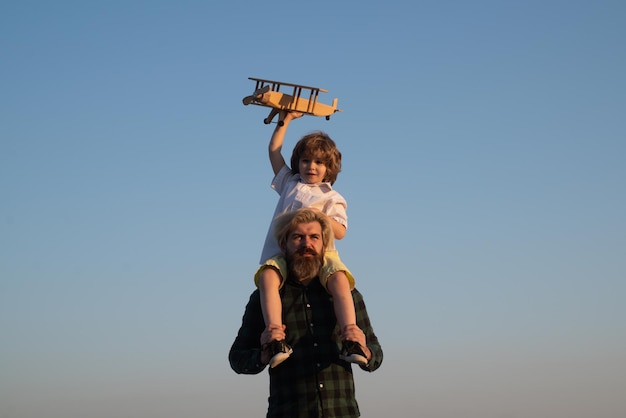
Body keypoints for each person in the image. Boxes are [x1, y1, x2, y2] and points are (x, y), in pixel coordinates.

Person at [229, 208, 383, 418]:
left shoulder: (346, 294)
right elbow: (237, 358)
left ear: (323, 244)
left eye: (314, 237)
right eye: (298, 237)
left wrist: (365, 350)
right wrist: (263, 355)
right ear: (284, 245)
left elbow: (376, 355)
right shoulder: (264, 298)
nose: (306, 244)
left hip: (341, 412)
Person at [255, 111, 361, 368]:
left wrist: (317, 214)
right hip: (282, 252)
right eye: (305, 161)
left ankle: (351, 336)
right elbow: (273, 150)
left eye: (318, 162)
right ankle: (276, 337)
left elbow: (341, 232)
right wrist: (286, 120)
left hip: (320, 256)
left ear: (329, 168)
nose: (311, 167)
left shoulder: (331, 197)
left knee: (339, 281)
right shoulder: (290, 183)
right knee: (267, 278)